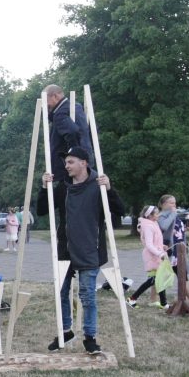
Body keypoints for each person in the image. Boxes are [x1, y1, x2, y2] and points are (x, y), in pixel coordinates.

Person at [39, 147, 125, 355]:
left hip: (89, 249)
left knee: (88, 296)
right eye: (66, 162)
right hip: (65, 249)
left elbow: (120, 211)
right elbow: (42, 210)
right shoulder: (63, 187)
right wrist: (44, 188)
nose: (66, 166)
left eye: (71, 162)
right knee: (61, 293)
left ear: (84, 163)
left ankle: (90, 337)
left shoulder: (98, 185)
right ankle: (65, 331)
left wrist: (110, 190)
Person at [157, 194, 189, 307]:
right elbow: (164, 226)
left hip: (180, 249)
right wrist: (173, 214)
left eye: (175, 203)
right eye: (171, 203)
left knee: (182, 273)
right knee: (181, 274)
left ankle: (182, 298)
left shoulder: (174, 216)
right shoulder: (162, 216)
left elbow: (180, 232)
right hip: (170, 250)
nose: (174, 205)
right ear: (163, 204)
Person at [44, 84, 93, 179]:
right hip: (86, 163)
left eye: (46, 101)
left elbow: (72, 132)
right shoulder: (77, 107)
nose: (46, 106)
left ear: (55, 96)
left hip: (68, 170)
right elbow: (89, 132)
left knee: (65, 192)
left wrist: (72, 155)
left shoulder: (59, 114)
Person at [126, 206, 168, 308]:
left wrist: (162, 246)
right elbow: (149, 244)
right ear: (150, 215)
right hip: (152, 256)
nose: (159, 215)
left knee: (160, 278)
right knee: (153, 279)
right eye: (156, 213)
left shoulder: (154, 223)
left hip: (157, 254)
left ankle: (164, 303)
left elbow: (155, 241)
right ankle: (132, 299)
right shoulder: (148, 226)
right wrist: (160, 254)